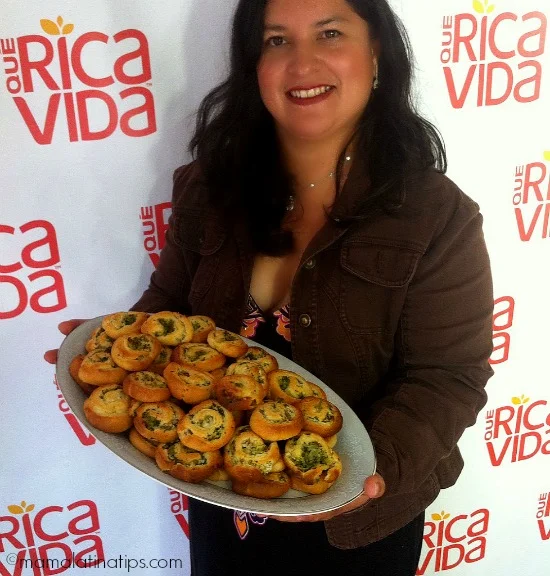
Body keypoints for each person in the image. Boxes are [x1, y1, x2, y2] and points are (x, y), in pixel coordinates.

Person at [46, 0, 494, 574]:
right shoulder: (209, 186)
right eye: (277, 40)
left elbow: (448, 376)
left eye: (330, 33)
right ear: (253, 63)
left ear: (377, 51)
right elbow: (170, 307)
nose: (302, 63)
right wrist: (113, 347)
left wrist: (369, 474)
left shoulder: (437, 216)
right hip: (218, 494)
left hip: (358, 528)